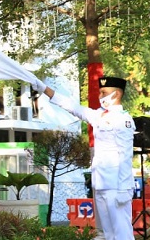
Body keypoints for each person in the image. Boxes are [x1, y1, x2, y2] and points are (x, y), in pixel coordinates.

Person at [40, 76, 134, 240]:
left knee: (122, 232)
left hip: (116, 185)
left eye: (104, 92)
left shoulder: (123, 120)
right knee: (108, 233)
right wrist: (45, 90)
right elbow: (73, 107)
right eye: (100, 92)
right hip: (101, 182)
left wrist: (124, 189)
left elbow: (125, 155)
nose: (100, 96)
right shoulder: (99, 115)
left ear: (117, 94)